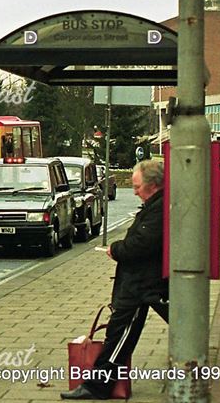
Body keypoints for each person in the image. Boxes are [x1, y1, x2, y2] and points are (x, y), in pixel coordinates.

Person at [61, 159, 168, 400]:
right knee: (120, 334)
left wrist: (116, 249)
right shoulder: (155, 205)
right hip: (141, 282)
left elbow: (142, 243)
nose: (134, 191)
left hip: (142, 284)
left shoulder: (158, 209)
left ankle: (97, 387)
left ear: (152, 185)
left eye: (137, 186)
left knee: (119, 336)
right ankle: (96, 385)